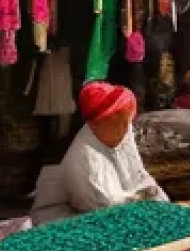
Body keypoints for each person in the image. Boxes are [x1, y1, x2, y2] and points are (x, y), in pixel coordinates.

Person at [31, 82, 168, 224]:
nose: (126, 127)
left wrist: (157, 200)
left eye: (126, 121)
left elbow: (138, 174)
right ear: (97, 124)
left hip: (125, 205)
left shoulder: (122, 131)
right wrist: (140, 200)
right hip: (74, 217)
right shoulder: (84, 160)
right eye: (119, 121)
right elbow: (107, 209)